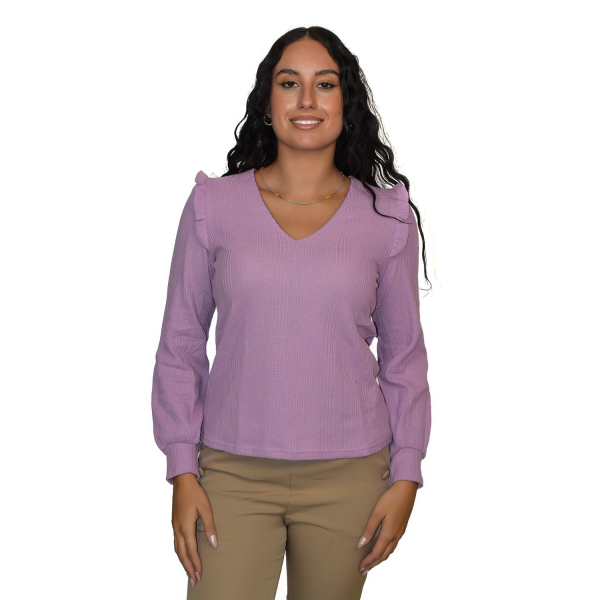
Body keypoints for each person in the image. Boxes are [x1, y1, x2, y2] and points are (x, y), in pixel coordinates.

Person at [151, 25, 432, 600]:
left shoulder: (386, 217)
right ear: (267, 102)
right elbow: (180, 344)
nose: (307, 99)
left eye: (325, 84)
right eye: (289, 83)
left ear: (346, 104)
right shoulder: (213, 206)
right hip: (230, 473)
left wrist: (406, 475)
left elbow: (404, 358)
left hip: (351, 475)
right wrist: (182, 469)